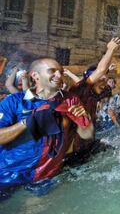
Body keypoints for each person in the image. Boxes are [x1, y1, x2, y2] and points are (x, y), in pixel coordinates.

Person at [0, 58, 93, 197]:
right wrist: (27, 122)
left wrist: (85, 121)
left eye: (61, 72)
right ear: (35, 75)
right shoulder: (14, 101)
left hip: (45, 175)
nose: (59, 75)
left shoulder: (70, 100)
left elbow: (87, 135)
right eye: (52, 71)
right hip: (8, 171)